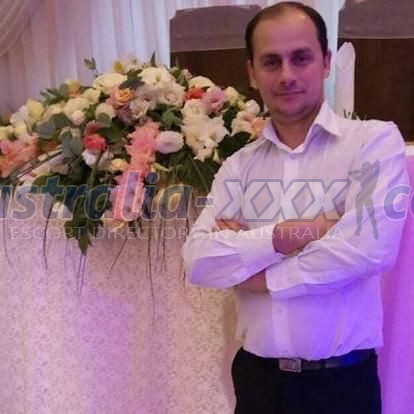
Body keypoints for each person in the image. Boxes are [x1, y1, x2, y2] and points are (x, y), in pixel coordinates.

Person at [182, 2, 408, 413]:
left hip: (342, 387)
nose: (286, 75)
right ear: (252, 72)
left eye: (301, 58)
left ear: (325, 62)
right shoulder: (238, 166)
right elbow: (199, 261)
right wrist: (291, 234)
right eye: (271, 62)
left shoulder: (373, 142)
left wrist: (260, 274)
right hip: (258, 384)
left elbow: (368, 249)